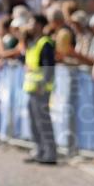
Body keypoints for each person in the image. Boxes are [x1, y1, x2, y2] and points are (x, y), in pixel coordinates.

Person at [22, 14, 57, 165]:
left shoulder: (45, 43)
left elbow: (49, 68)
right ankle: (39, 150)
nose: (29, 25)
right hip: (32, 89)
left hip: (40, 90)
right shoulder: (32, 42)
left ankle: (50, 153)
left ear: (39, 25)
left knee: (43, 122)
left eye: (32, 22)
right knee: (34, 122)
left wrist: (42, 86)